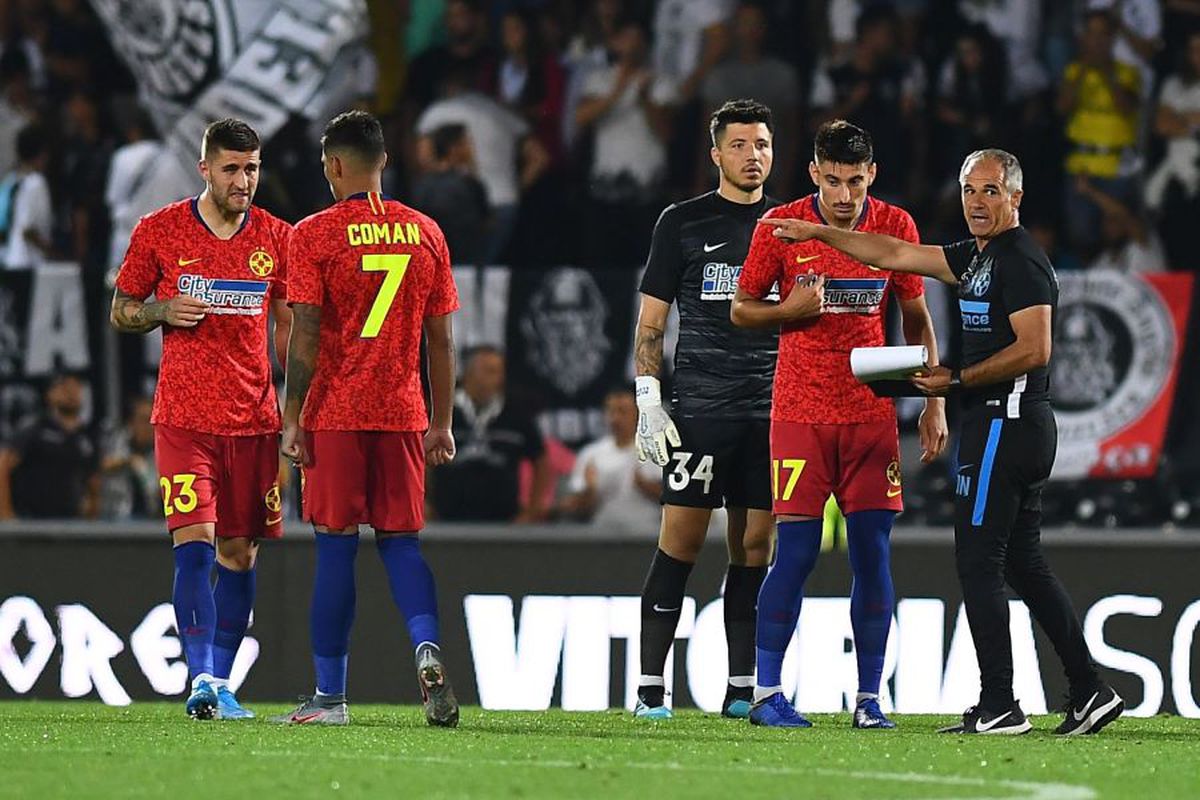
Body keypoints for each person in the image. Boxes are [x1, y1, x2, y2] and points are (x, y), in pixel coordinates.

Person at [759, 148, 1124, 736]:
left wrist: (953, 381)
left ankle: (1001, 704)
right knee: (1024, 564)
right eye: (970, 191)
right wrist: (817, 232)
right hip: (1005, 425)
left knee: (979, 564)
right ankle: (1089, 690)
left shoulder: (1021, 261)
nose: (978, 203)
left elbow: (1036, 349)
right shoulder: (979, 256)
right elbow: (896, 253)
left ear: (1016, 199)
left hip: (1007, 424)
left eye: (991, 192)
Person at [731, 120, 947, 729]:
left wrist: (932, 402)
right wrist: (786, 310)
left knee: (872, 556)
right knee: (794, 554)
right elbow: (740, 308)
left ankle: (870, 699)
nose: (845, 195)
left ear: (871, 175)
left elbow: (916, 316)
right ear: (813, 175)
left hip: (871, 416)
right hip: (798, 413)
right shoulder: (780, 228)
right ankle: (768, 693)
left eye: (855, 181)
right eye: (833, 181)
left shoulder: (896, 225)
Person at [273, 110, 461, 728]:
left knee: (334, 550)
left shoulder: (313, 235)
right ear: (384, 160)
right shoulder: (426, 232)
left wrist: (293, 417)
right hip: (404, 412)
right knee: (403, 545)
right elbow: (442, 341)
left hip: (336, 412)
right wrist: (441, 423)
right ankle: (427, 649)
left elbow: (304, 338)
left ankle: (331, 698)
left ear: (333, 166)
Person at [110, 118, 293, 721]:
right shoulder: (159, 231)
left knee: (239, 556)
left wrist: (297, 407)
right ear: (206, 170)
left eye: (253, 168)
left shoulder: (277, 238)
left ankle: (221, 680)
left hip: (255, 421)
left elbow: (292, 324)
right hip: (184, 419)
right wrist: (161, 308)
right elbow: (121, 310)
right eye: (233, 169)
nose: (244, 181)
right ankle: (200, 681)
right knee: (195, 546)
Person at [632, 99, 779, 721]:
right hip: (700, 411)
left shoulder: (791, 225)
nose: (754, 156)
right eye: (740, 145)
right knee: (681, 545)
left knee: (754, 548)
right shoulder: (683, 223)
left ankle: (742, 688)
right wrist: (648, 400)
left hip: (771, 414)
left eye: (763, 144)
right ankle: (648, 689)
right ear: (716, 154)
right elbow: (652, 323)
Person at [429, 346, 550, 523]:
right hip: (448, 519)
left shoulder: (517, 415)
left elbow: (541, 461)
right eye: (490, 371)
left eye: (500, 372)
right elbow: (419, 457)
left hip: (505, 523)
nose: (498, 379)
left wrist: (534, 508)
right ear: (469, 373)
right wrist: (423, 502)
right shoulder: (441, 412)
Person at [559, 385, 660, 532]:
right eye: (611, 411)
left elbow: (675, 502)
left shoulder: (658, 451)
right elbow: (574, 507)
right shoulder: (591, 455)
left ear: (639, 414)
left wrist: (645, 486)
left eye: (623, 412)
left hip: (647, 534)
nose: (616, 418)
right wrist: (589, 492)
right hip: (602, 534)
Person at [0, 373, 98, 520]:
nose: (71, 394)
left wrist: (92, 517)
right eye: (64, 388)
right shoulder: (35, 428)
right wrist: (5, 513)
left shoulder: (87, 436)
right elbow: (3, 466)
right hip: (32, 521)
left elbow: (94, 481)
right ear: (50, 395)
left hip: (72, 522)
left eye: (75, 388)